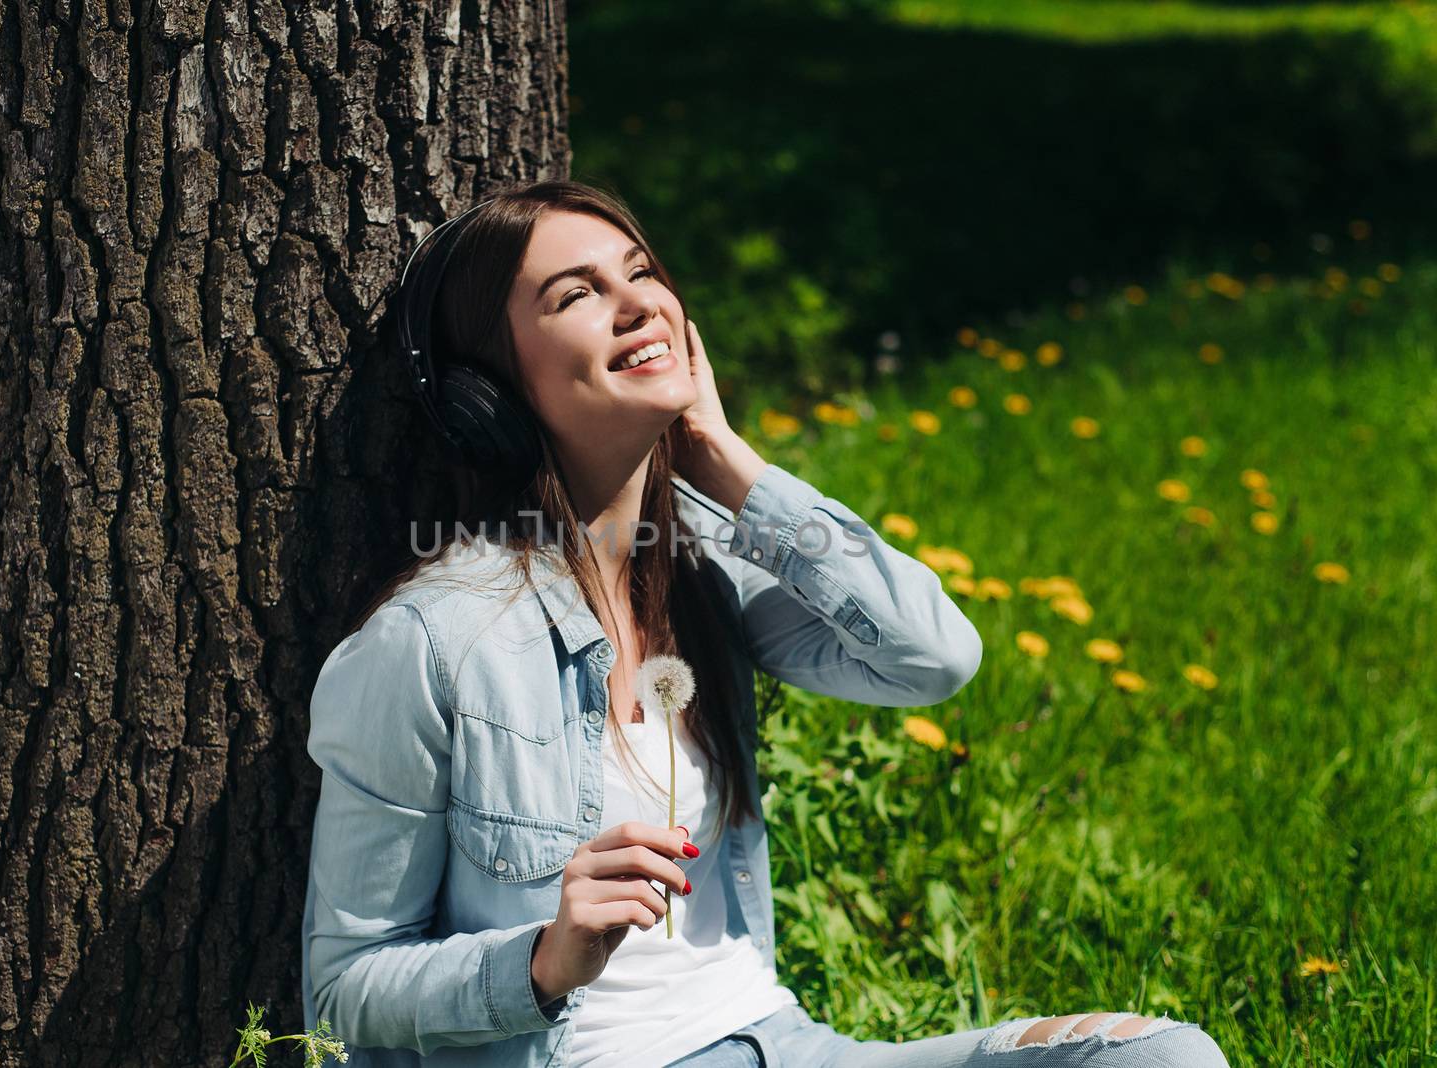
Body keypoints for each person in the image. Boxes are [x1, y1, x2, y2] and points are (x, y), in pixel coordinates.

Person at [299, 180, 1231, 1068]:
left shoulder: (707, 572)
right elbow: (344, 991)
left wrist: (719, 453)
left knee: (1166, 1055)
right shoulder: (429, 645)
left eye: (642, 273)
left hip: (784, 1044)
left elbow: (933, 655)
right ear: (486, 390)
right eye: (577, 293)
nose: (636, 305)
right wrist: (542, 960)